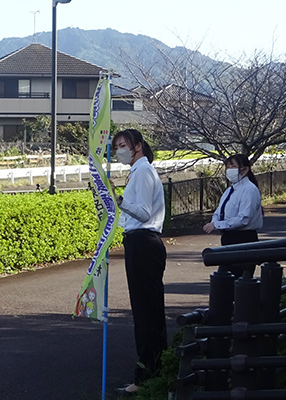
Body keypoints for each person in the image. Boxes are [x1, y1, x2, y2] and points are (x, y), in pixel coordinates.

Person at [111, 129, 167, 395]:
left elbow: (143, 213)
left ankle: (146, 376)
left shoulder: (143, 172)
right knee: (148, 311)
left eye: (123, 145)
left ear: (138, 146)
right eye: (117, 146)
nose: (119, 150)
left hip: (144, 242)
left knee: (146, 313)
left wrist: (119, 200)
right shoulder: (139, 172)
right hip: (141, 243)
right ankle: (154, 371)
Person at [203, 154, 263, 278]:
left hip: (244, 239)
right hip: (229, 238)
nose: (229, 169)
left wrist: (217, 224)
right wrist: (215, 221)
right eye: (227, 166)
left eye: (233, 166)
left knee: (239, 280)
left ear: (244, 169)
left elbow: (243, 219)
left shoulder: (249, 190)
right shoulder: (230, 190)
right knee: (227, 279)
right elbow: (218, 212)